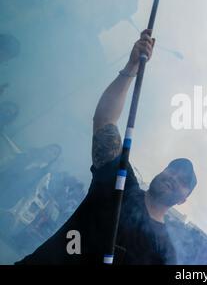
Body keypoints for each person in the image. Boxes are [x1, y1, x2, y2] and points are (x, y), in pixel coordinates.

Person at [16, 30, 197, 265]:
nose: (174, 177)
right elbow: (105, 121)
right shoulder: (121, 183)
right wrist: (131, 68)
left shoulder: (165, 253)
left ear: (183, 200)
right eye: (173, 170)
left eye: (184, 180)